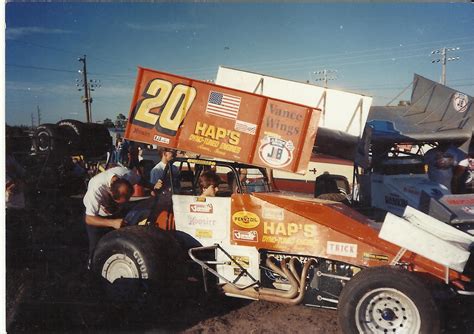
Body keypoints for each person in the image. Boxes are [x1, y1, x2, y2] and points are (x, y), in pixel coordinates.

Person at [83, 166, 162, 265]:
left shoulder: (127, 174)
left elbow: (140, 180)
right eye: (122, 201)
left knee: (120, 242)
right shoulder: (96, 189)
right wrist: (112, 223)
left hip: (115, 214)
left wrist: (152, 187)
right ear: (111, 193)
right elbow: (89, 218)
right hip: (96, 217)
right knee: (96, 249)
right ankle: (92, 269)